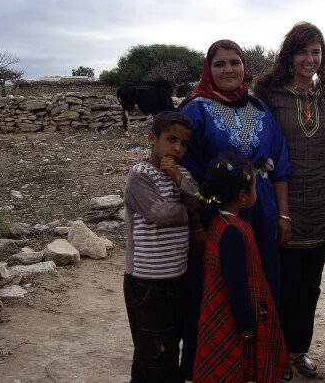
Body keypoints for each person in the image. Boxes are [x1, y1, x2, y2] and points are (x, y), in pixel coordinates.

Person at [178, 39, 292, 379]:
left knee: (264, 282)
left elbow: (281, 163)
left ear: (245, 67)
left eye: (235, 62)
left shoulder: (259, 108)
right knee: (217, 287)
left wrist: (283, 215)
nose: (228, 69)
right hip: (215, 212)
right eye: (220, 63)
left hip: (261, 207)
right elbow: (186, 171)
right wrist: (198, 225)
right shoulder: (194, 109)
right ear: (208, 69)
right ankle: (209, 366)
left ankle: (260, 364)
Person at [253, 21, 325, 378]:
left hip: (322, 202)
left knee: (311, 286)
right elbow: (264, 150)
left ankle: (299, 350)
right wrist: (278, 212)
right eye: (303, 51)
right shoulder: (269, 94)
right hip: (283, 204)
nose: (310, 59)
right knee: (283, 285)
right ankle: (277, 354)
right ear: (289, 55)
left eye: (316, 52)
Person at [192, 154, 290, 383]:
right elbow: (236, 283)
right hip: (230, 315)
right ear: (243, 196)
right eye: (255, 186)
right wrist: (246, 323)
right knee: (230, 365)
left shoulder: (217, 221)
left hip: (219, 309)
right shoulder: (233, 233)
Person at [123, 111, 200, 383]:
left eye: (183, 143)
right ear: (152, 139)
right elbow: (160, 214)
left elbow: (200, 201)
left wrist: (178, 178)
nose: (177, 148)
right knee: (155, 350)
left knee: (166, 343)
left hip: (177, 275)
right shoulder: (140, 174)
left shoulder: (184, 174)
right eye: (171, 140)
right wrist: (190, 210)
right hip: (147, 280)